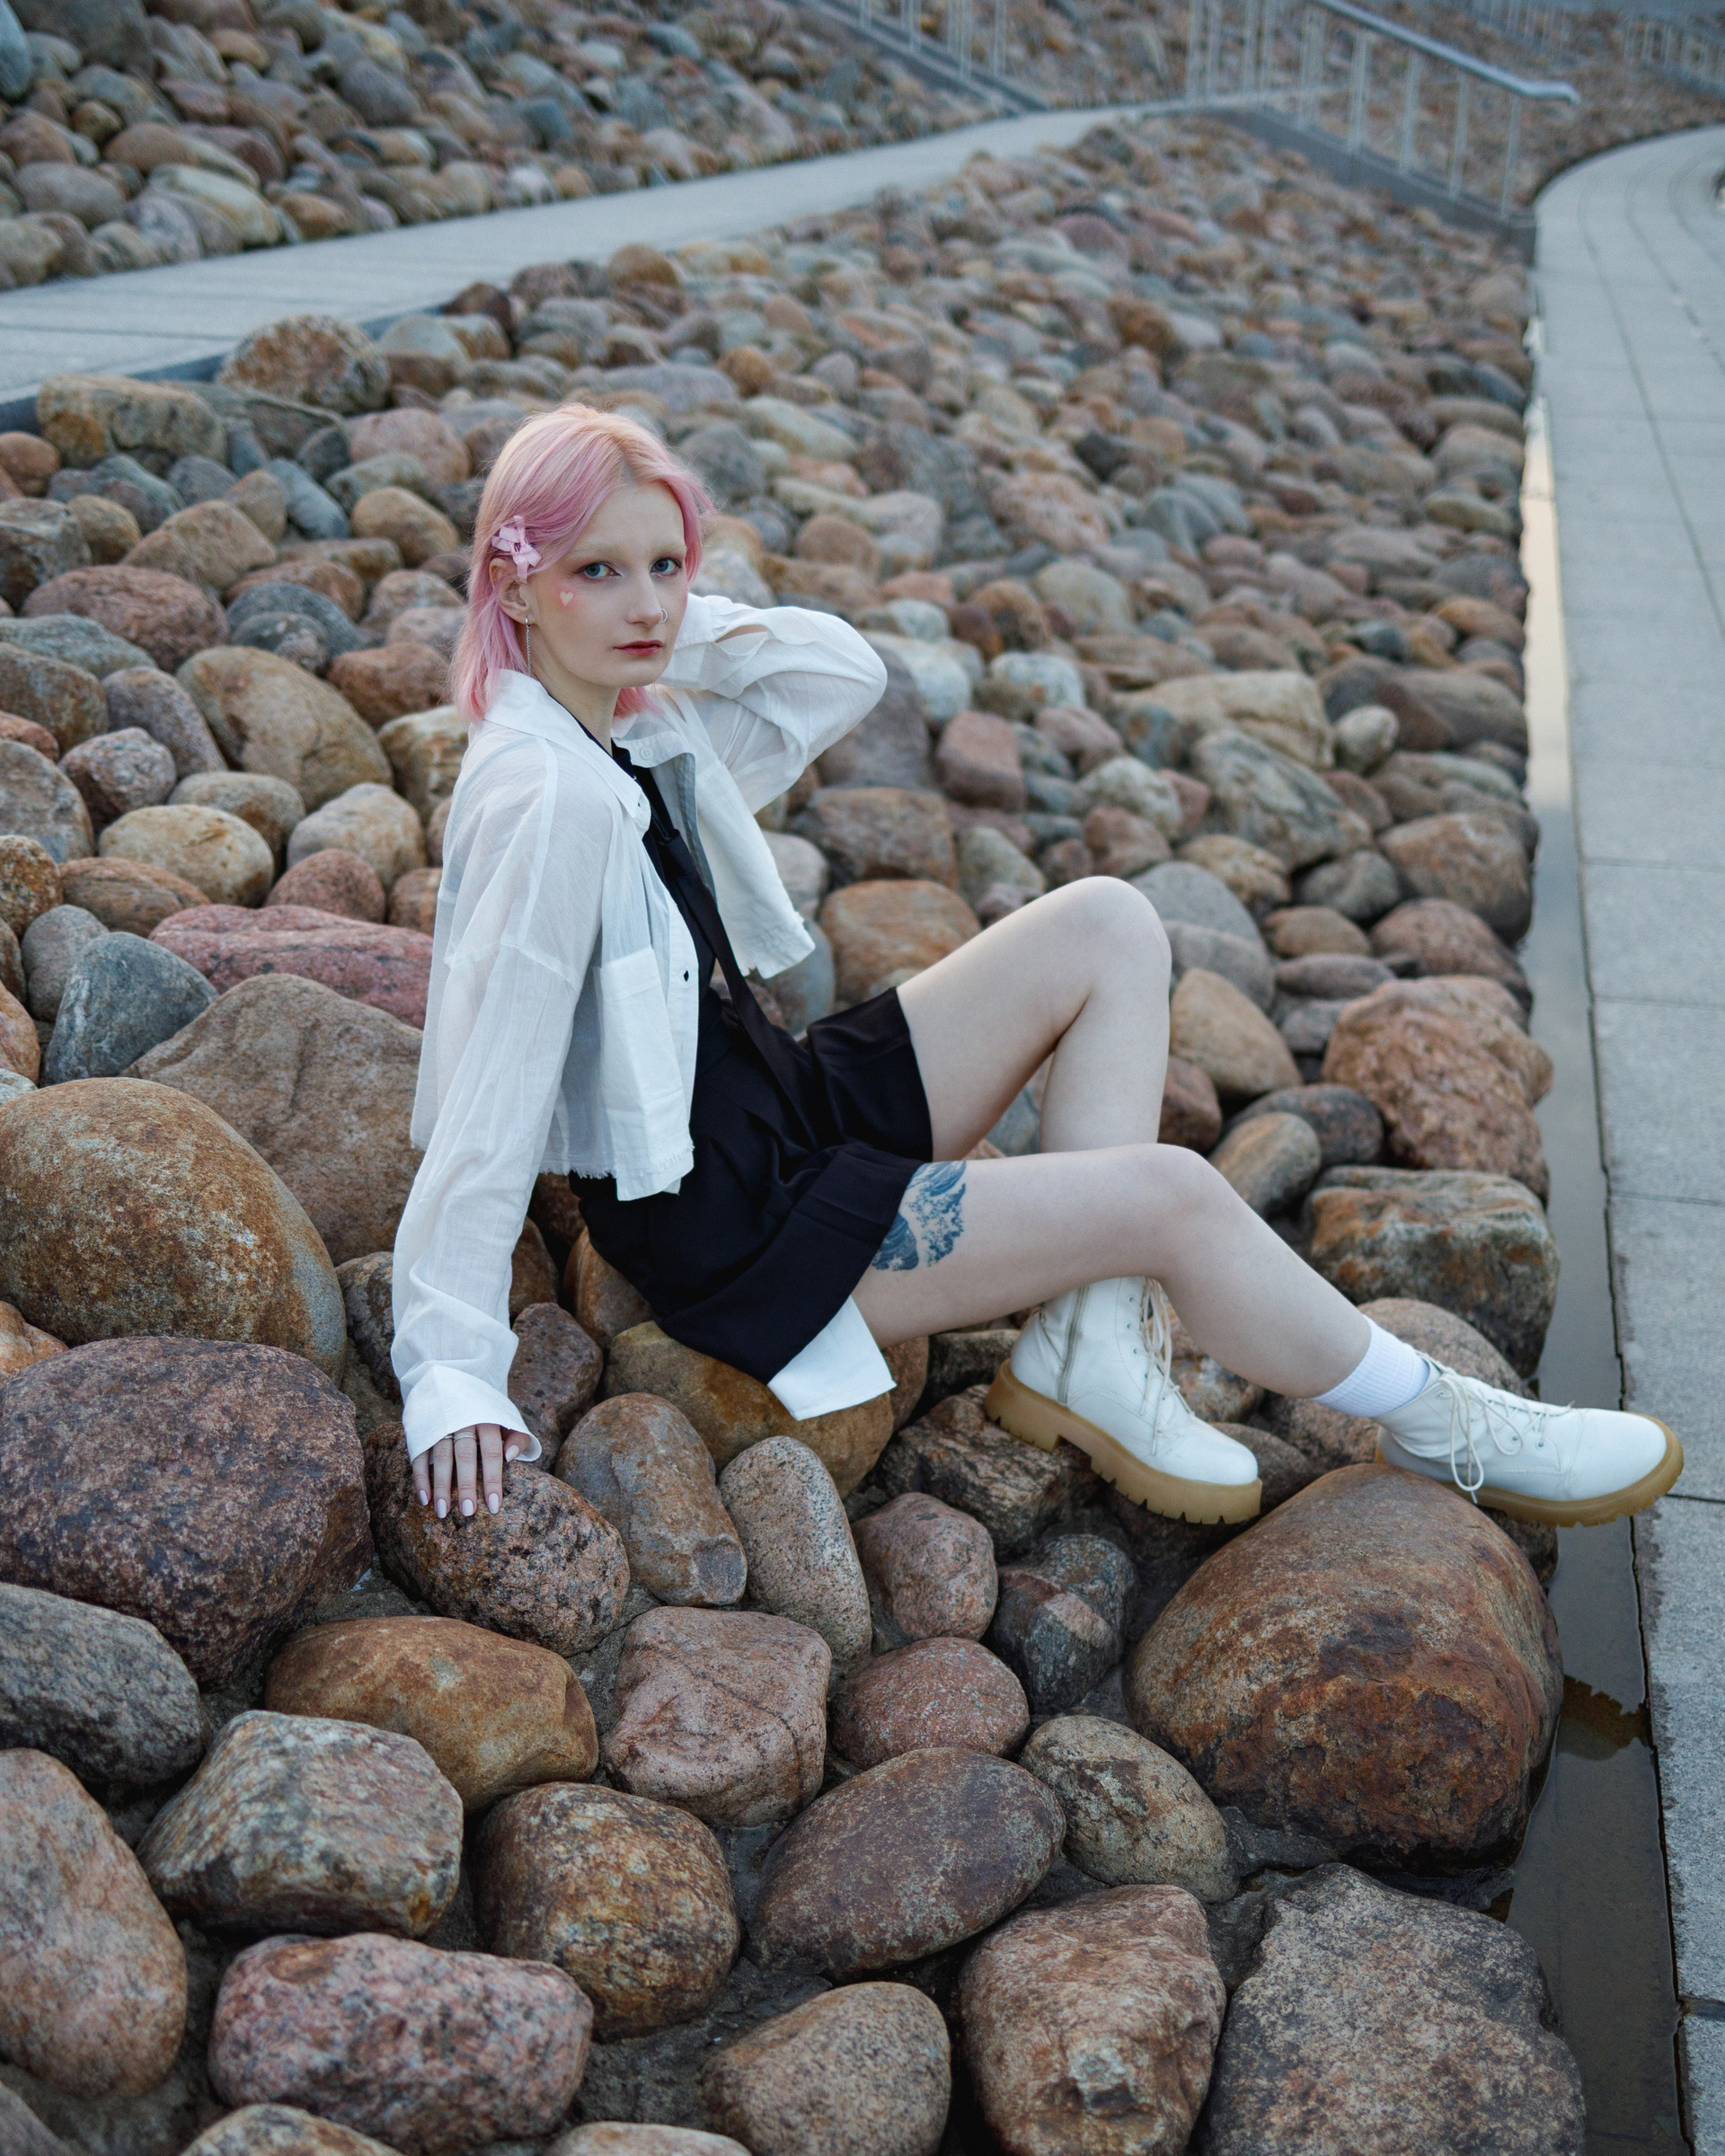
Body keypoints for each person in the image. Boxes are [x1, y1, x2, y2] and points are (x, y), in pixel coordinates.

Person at [391, 405, 1684, 1540]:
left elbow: (838, 673)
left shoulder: (628, 728)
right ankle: (1445, 1422)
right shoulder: (549, 798)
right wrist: (450, 1367)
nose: (648, 605)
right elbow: (488, 1090)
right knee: (1174, 1195)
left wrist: (655, 627)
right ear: (513, 584)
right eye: (598, 571)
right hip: (739, 1225)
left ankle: (1090, 1348)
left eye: (667, 566)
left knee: (1109, 923)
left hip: (781, 1101)